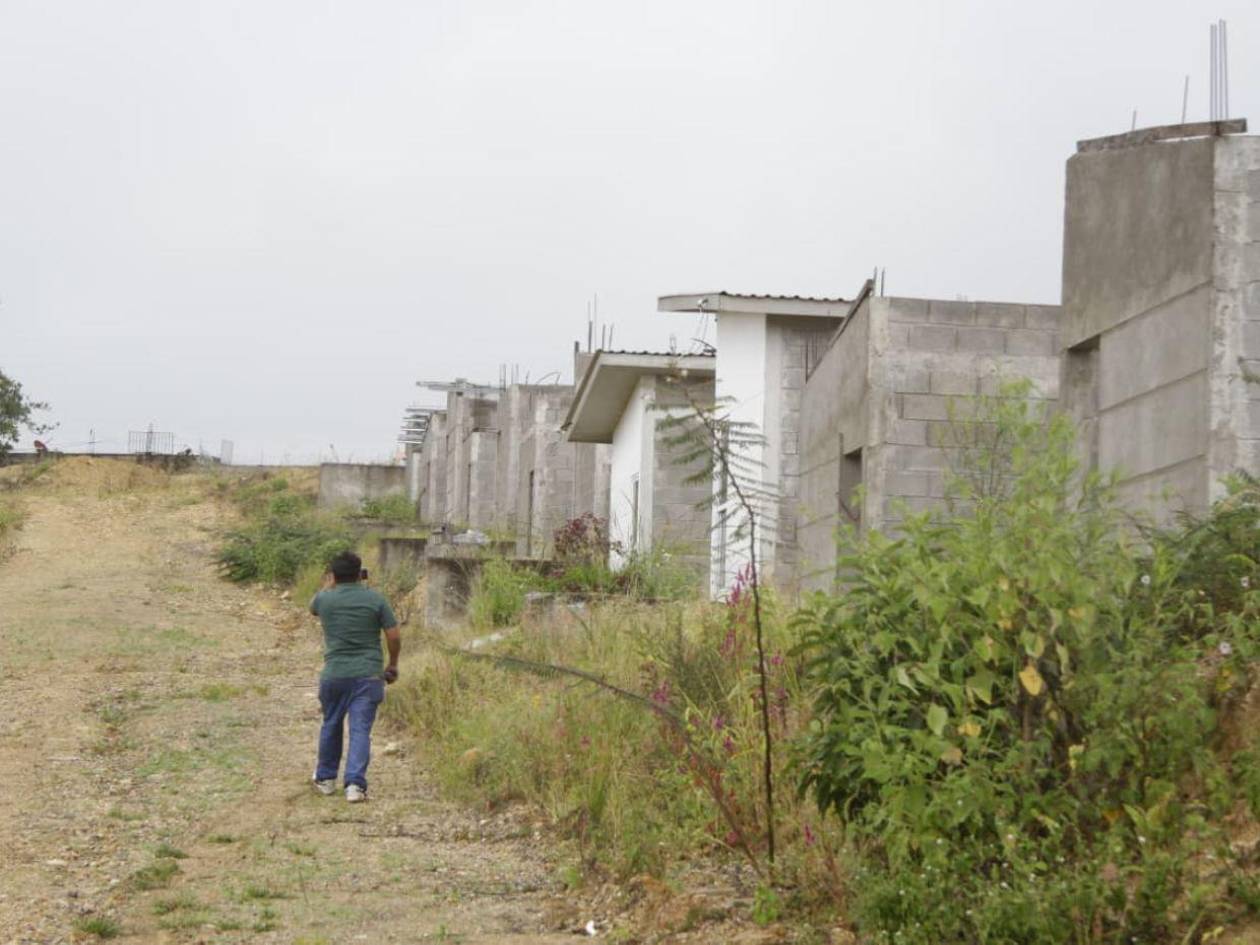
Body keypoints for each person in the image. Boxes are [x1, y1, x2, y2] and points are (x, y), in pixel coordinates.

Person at [308, 550, 400, 802]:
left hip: (334, 674)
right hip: (368, 675)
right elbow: (393, 635)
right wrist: (392, 664)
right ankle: (355, 785)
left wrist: (330, 585)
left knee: (331, 723)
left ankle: (326, 779)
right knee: (360, 730)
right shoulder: (375, 599)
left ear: (334, 576)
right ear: (360, 574)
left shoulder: (324, 599)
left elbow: (313, 606)